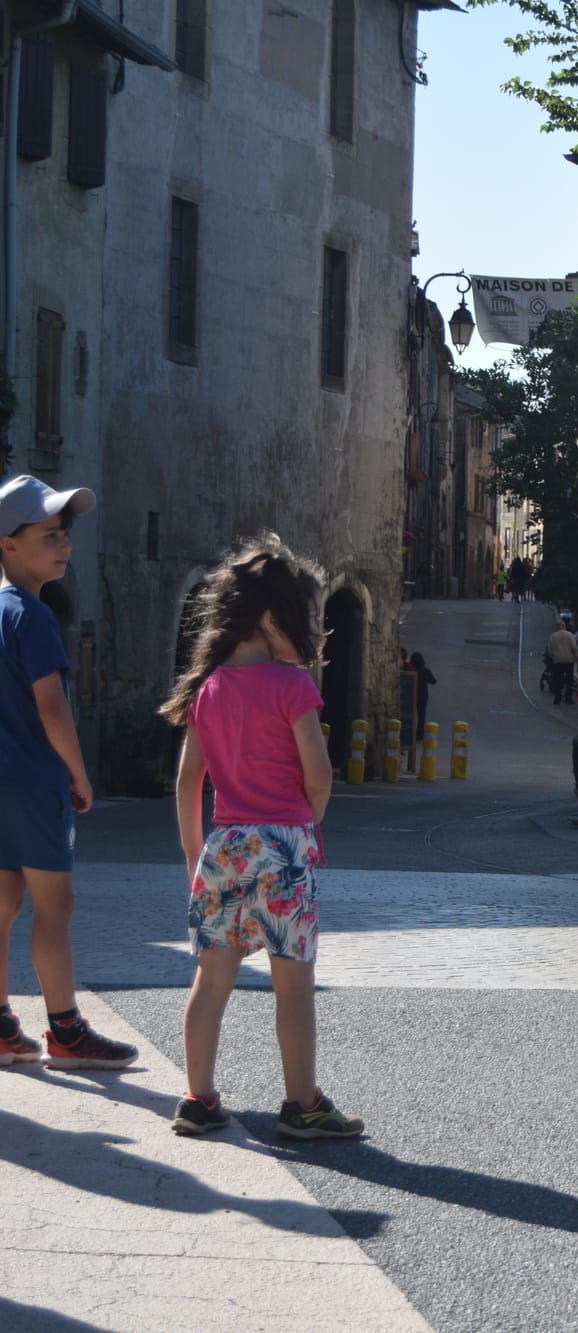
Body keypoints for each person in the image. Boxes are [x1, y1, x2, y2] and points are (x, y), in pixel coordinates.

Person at [158, 533, 361, 1139]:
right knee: (292, 983)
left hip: (224, 845)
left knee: (211, 978)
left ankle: (197, 1099)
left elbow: (187, 781)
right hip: (283, 845)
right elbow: (319, 776)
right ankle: (303, 1106)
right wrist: (307, 821)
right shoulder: (292, 686)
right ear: (275, 618)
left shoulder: (207, 688)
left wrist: (197, 855)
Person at [0, 476, 137, 1070]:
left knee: (1, 906)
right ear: (7, 543)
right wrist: (78, 775)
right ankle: (66, 1031)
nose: (64, 545)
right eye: (50, 535)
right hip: (34, 783)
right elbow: (52, 707)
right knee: (55, 910)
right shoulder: (32, 617)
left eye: (65, 535)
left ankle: (3, 1025)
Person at [546, 613, 578, 705]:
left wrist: (553, 657)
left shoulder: (553, 636)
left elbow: (549, 650)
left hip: (558, 661)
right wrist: (576, 657)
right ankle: (568, 698)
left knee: (558, 680)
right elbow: (574, 647)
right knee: (569, 680)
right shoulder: (570, 635)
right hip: (569, 660)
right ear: (564, 626)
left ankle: (557, 699)